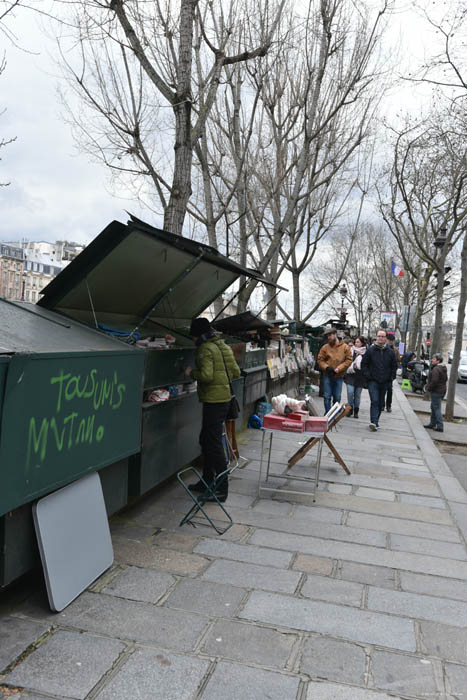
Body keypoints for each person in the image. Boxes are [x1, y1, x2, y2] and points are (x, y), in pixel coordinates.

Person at [185, 317, 241, 501]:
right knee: (207, 440)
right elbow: (235, 372)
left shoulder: (205, 348)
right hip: (224, 400)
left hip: (213, 401)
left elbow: (207, 376)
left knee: (214, 445)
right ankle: (207, 480)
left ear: (199, 335)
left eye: (193, 337)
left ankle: (221, 489)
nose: (193, 341)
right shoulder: (223, 346)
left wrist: (190, 373)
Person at [361, 329, 397, 432]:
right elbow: (364, 364)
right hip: (373, 381)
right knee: (375, 401)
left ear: (386, 338)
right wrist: (368, 376)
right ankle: (374, 422)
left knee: (381, 403)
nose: (381, 338)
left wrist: (391, 377)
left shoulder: (390, 352)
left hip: (385, 381)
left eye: (383, 336)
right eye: (379, 336)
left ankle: (376, 421)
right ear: (376, 337)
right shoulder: (371, 350)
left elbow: (394, 366)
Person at [317, 326, 353, 413]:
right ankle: (328, 414)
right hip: (327, 375)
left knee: (337, 397)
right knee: (327, 396)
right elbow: (320, 359)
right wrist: (326, 367)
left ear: (335, 334)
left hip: (339, 376)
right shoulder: (325, 347)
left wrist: (339, 369)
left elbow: (349, 360)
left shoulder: (345, 347)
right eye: (327, 336)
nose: (328, 337)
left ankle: (334, 414)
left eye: (330, 335)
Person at [344, 336, 367, 418]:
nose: (356, 344)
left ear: (362, 343)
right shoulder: (351, 351)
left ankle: (356, 411)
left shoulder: (366, 353)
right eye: (355, 342)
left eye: (358, 342)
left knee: (357, 395)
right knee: (350, 393)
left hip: (360, 376)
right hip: (350, 374)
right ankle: (350, 409)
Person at [424, 352, 447, 433]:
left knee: (436, 408)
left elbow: (434, 381)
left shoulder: (436, 369)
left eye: (434, 359)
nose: (432, 360)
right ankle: (432, 423)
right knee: (434, 407)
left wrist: (429, 388)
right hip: (441, 391)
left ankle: (440, 426)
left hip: (436, 391)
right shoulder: (442, 368)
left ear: (438, 361)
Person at [384, 333, 401, 413]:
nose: (390, 342)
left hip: (390, 373)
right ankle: (381, 405)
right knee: (382, 390)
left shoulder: (395, 350)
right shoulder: (383, 348)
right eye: (389, 340)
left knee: (390, 390)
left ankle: (388, 405)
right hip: (382, 372)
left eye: (392, 341)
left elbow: (398, 360)